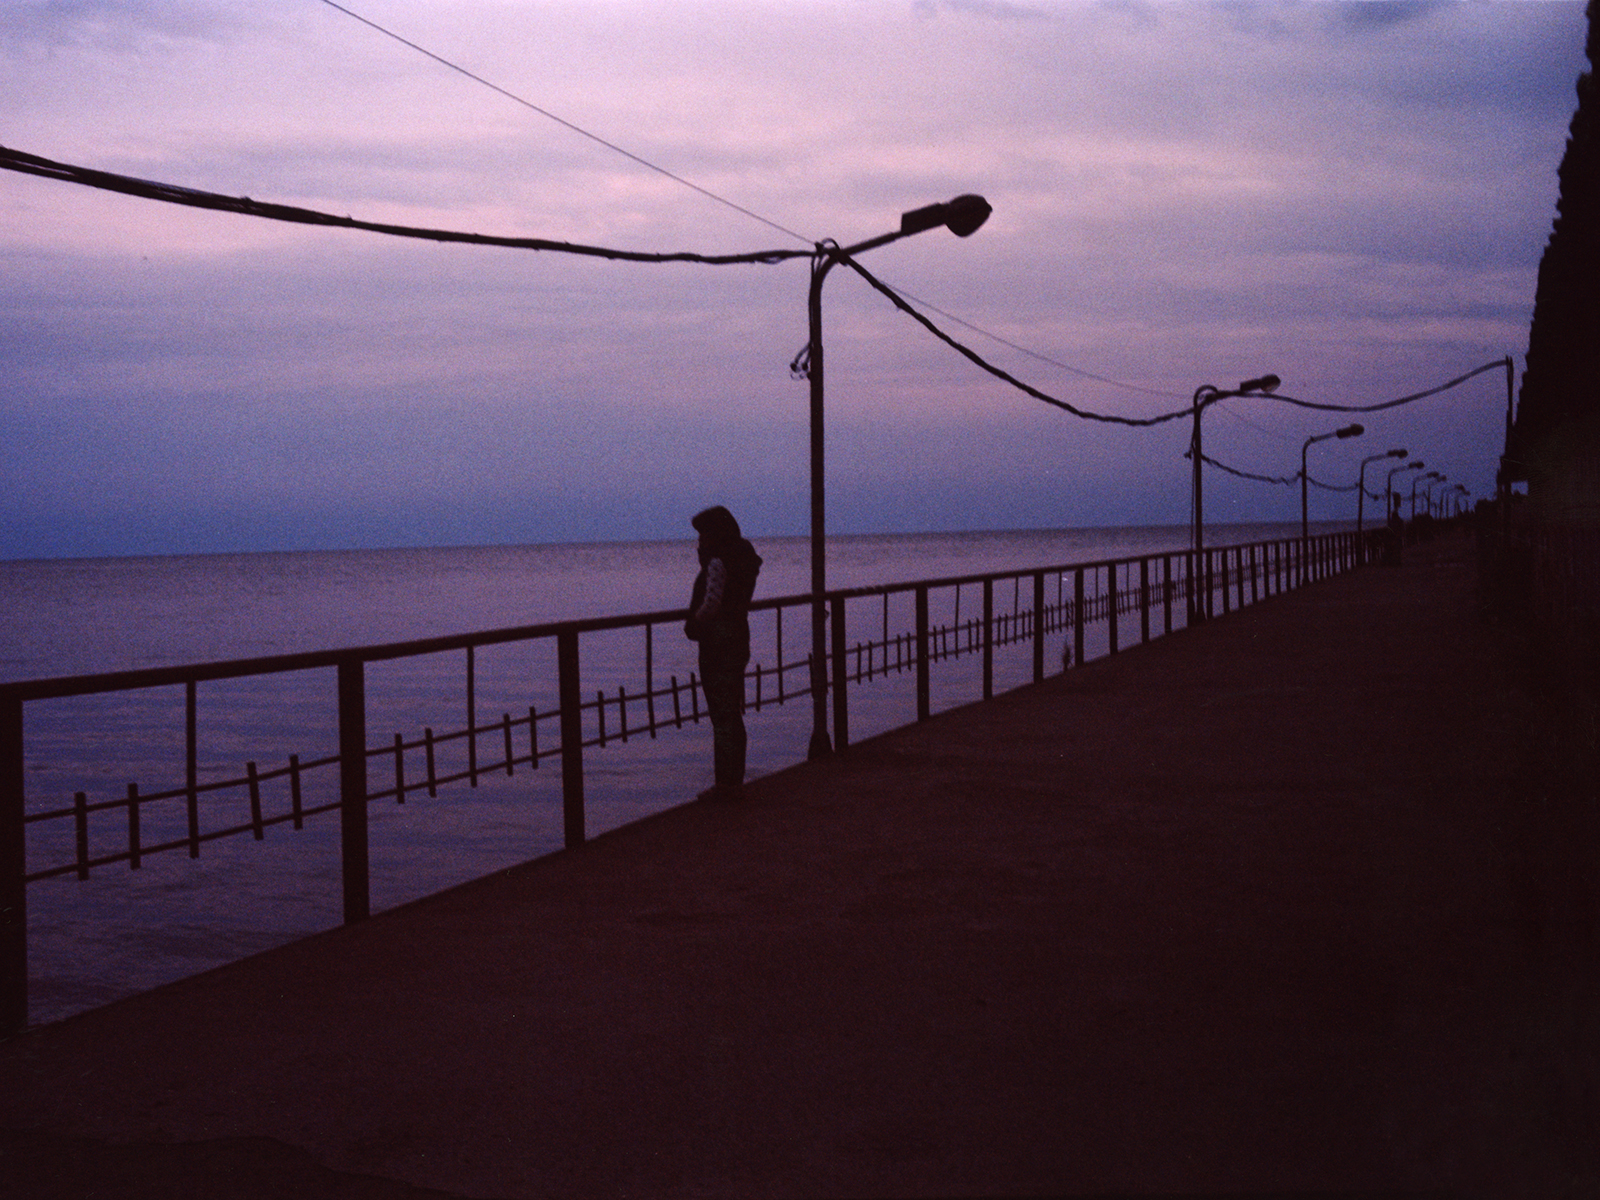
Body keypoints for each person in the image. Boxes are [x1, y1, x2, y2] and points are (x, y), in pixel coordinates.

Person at [684, 506, 762, 800]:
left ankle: (726, 784)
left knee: (722, 715)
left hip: (718, 643)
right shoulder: (743, 558)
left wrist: (695, 624)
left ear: (715, 534)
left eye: (703, 534)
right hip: (737, 638)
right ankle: (733, 780)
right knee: (731, 711)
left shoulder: (718, 562)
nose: (699, 541)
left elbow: (712, 601)